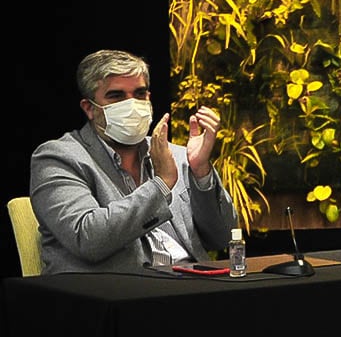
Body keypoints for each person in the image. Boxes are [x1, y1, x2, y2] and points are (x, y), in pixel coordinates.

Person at [30, 50, 237, 274]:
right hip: (113, 295)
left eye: (139, 94)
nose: (131, 105)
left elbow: (223, 237)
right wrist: (161, 184)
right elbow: (88, 239)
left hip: (191, 285)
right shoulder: (58, 158)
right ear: (89, 108)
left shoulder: (175, 155)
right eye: (116, 96)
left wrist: (201, 172)